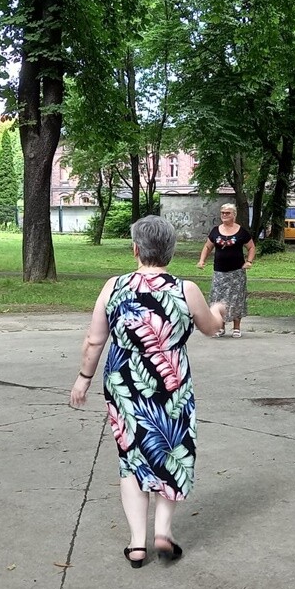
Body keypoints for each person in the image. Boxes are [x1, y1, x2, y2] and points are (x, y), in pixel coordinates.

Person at [70, 216, 225, 568]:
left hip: (125, 384)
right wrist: (217, 311)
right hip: (172, 386)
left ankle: (137, 544)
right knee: (172, 451)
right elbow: (211, 328)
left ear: (135, 249)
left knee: (132, 456)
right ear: (171, 251)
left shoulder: (114, 286)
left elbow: (94, 340)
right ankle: (163, 532)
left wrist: (83, 378)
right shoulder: (186, 290)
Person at [196, 203, 256, 337]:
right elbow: (207, 247)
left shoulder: (241, 232)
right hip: (219, 272)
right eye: (222, 212)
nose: (224, 215)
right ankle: (220, 327)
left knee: (236, 299)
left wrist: (249, 261)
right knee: (219, 299)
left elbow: (251, 247)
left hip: (237, 272)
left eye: (227, 213)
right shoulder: (215, 231)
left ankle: (236, 328)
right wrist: (202, 260)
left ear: (234, 215)